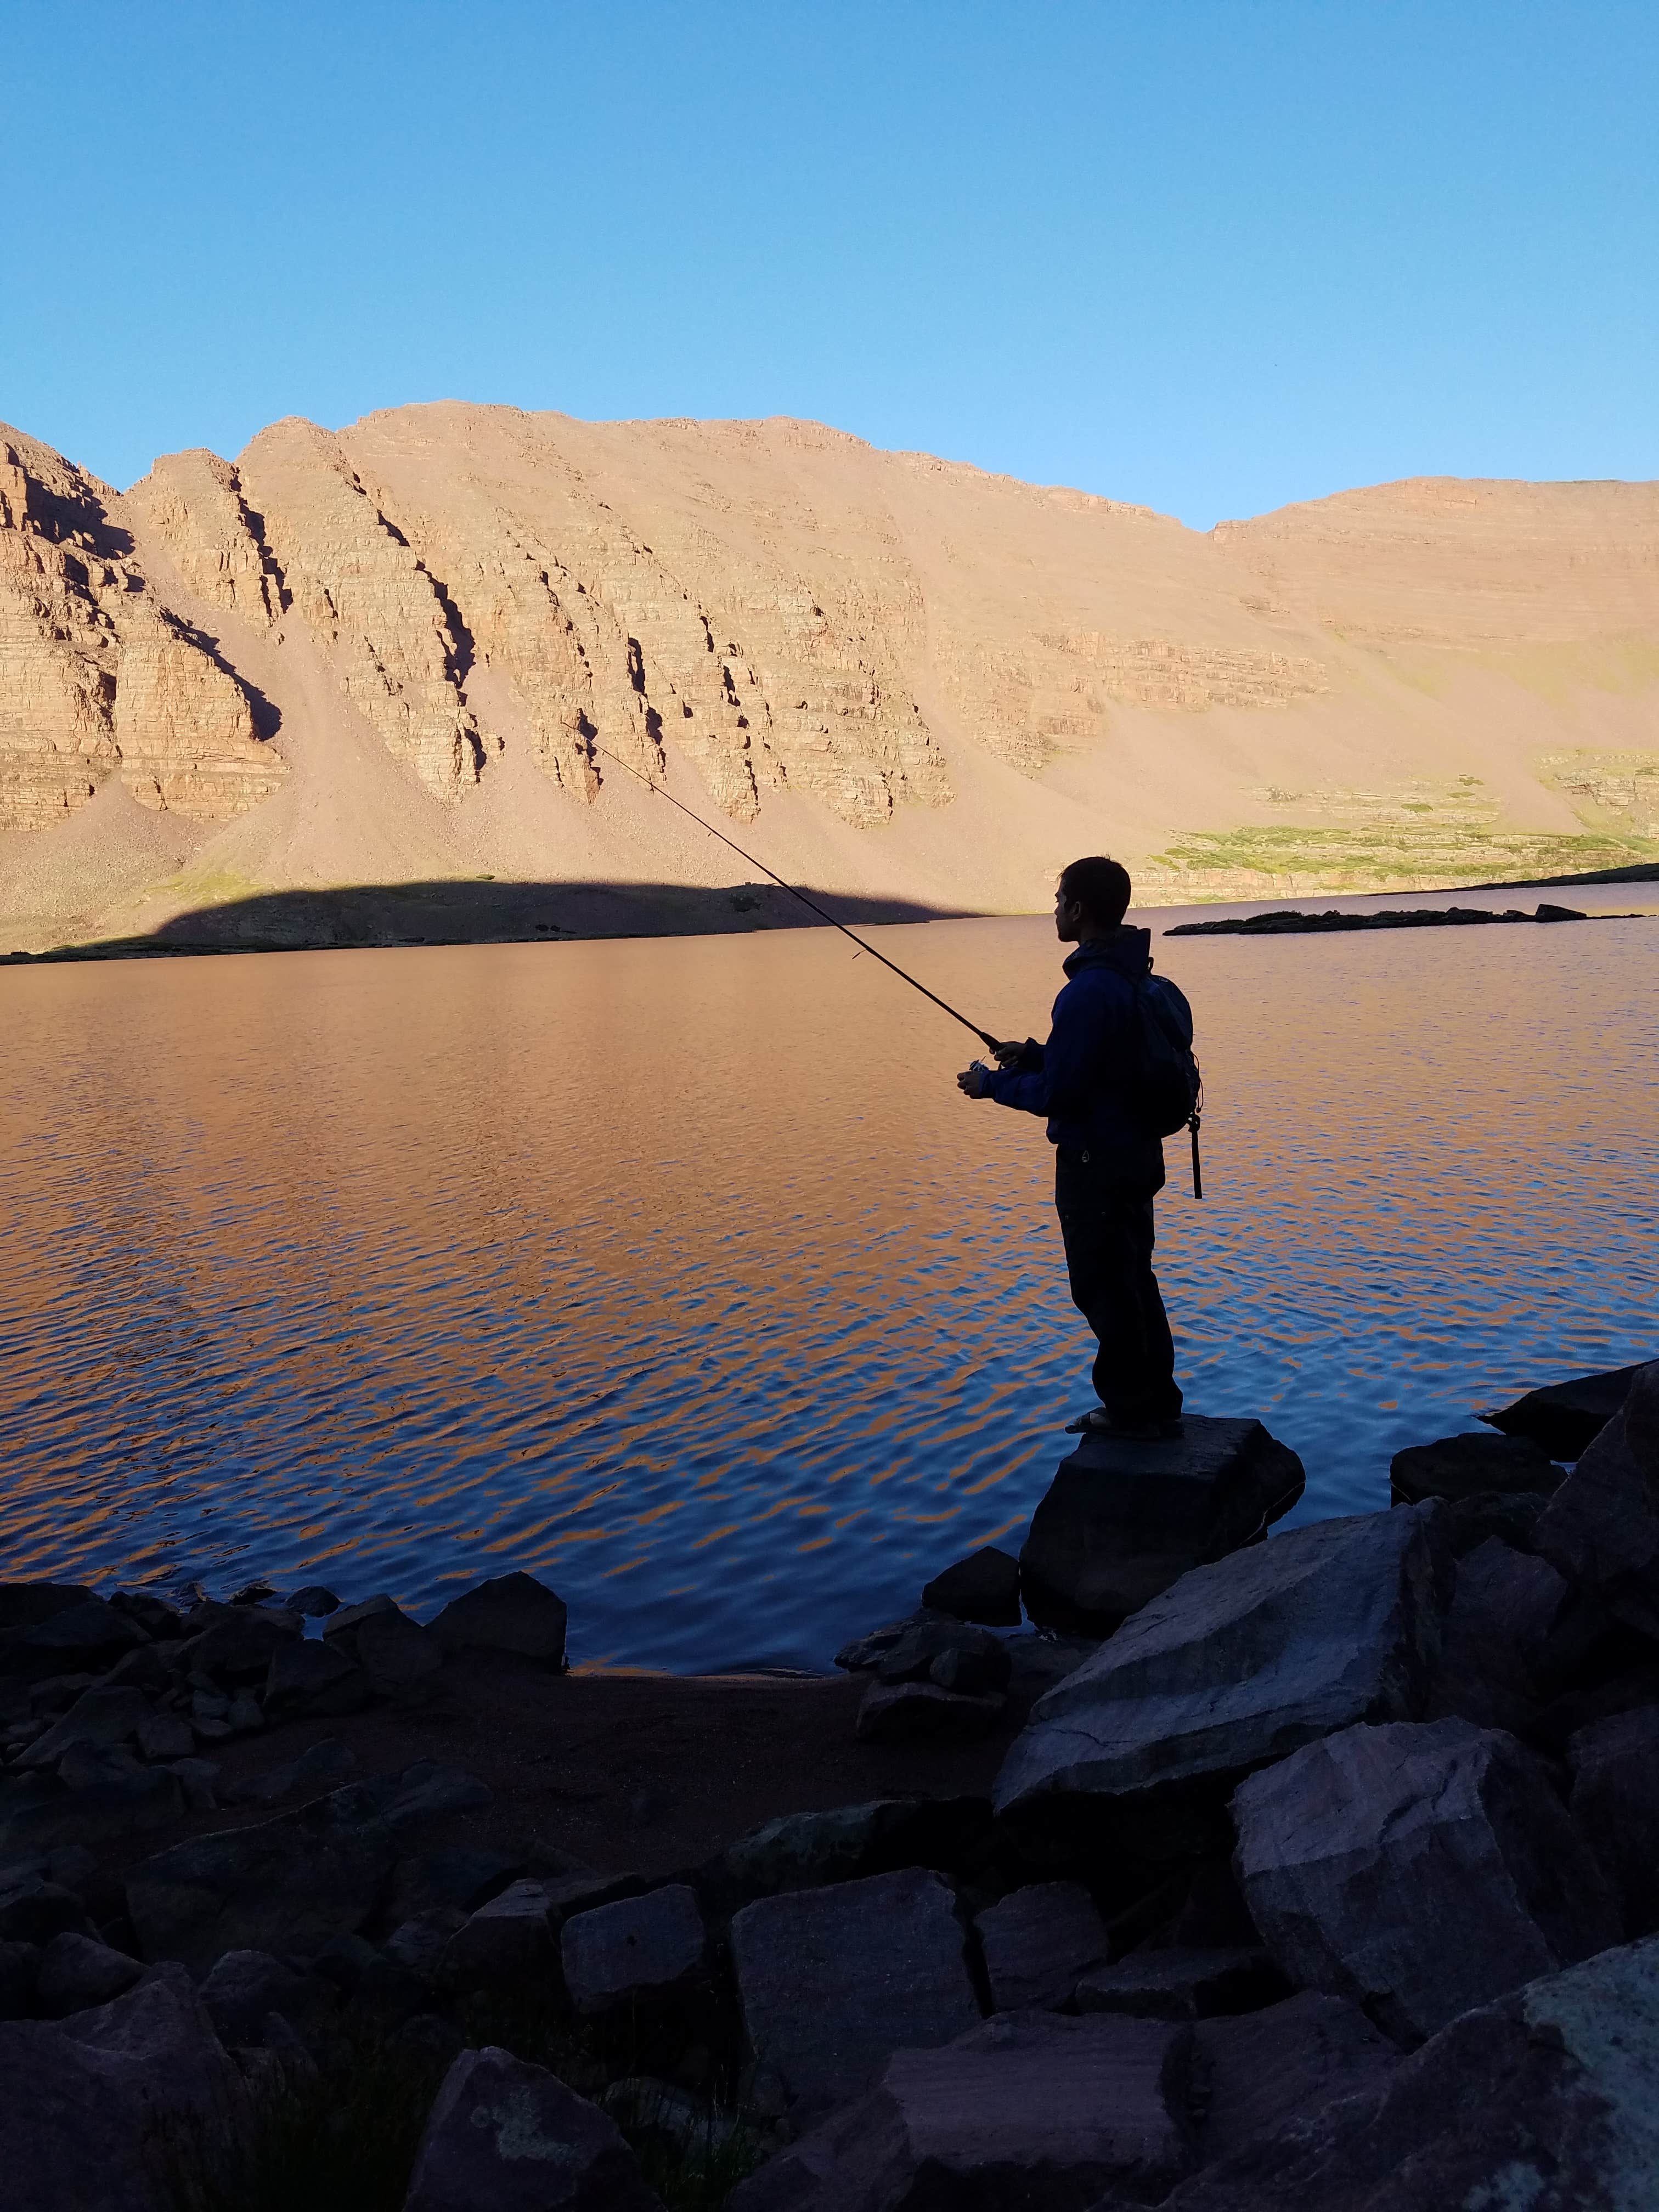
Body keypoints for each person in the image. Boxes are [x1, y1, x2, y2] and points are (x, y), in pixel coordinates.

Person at [957, 855, 1183, 1438]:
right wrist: (1031, 1053)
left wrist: (993, 1085)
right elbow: (1106, 1062)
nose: (1055, 910)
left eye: (1060, 901)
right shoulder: (1141, 978)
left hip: (1095, 1164)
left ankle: (1132, 1411)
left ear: (1079, 910)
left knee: (1101, 1284)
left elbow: (1063, 1093)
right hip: (1137, 1154)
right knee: (1135, 1278)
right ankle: (1157, 1400)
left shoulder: (1087, 991)